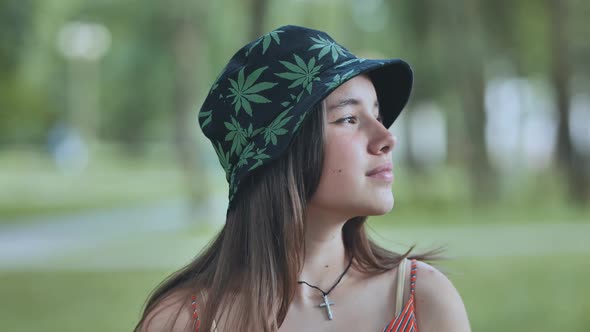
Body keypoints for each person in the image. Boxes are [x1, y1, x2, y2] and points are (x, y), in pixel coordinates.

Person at [135, 25, 470, 332]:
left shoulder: (424, 300)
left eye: (378, 115)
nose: (386, 137)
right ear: (279, 151)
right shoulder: (182, 321)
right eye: (350, 119)